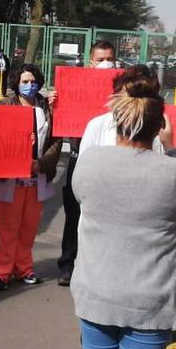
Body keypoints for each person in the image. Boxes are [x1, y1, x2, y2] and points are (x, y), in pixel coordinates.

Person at [71, 78, 176, 349]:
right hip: (150, 301)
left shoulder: (89, 160)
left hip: (95, 291)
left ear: (116, 121)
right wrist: (173, 149)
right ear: (159, 128)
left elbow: (81, 195)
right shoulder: (174, 172)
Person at [48, 40, 118, 286]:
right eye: (100, 60)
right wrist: (56, 105)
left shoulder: (124, 92)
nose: (106, 64)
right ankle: (67, 265)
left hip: (112, 164)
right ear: (91, 62)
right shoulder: (75, 88)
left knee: (106, 220)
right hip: (81, 160)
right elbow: (60, 125)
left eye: (110, 59)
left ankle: (99, 270)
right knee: (74, 216)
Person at [0, 63, 62, 290]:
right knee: (5, 227)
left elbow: (56, 140)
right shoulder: (3, 106)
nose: (30, 86)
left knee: (29, 227)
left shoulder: (47, 107)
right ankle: (1, 272)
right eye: (24, 82)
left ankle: (24, 268)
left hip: (36, 177)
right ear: (16, 84)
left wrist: (41, 164)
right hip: (10, 179)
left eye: (33, 81)